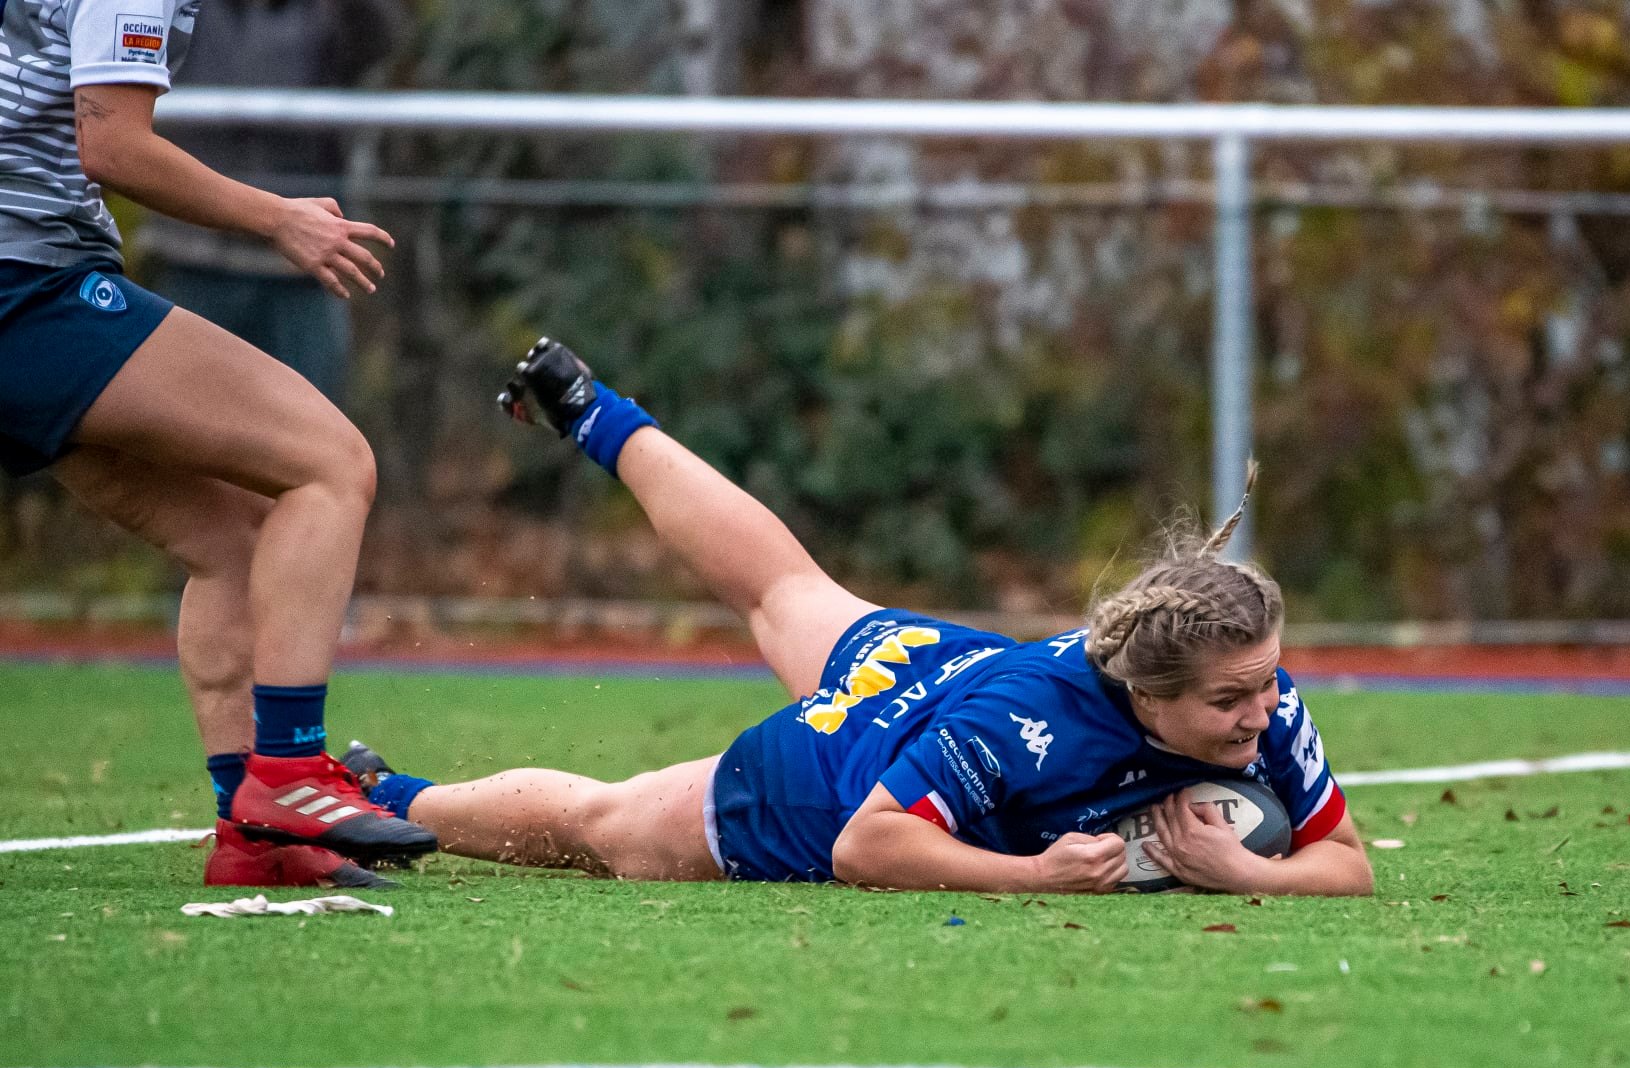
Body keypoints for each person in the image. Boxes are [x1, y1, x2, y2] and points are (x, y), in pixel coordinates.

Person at [353, 339, 1372, 896]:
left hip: (940, 664)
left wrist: (1242, 875)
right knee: (609, 829)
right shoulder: (1029, 722)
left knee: (783, 588)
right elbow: (865, 849)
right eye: (1233, 700)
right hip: (837, 766)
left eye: (1269, 681)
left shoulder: (1257, 694)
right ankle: (381, 793)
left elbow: (1347, 865)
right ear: (1148, 698)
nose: (1265, 711)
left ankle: (585, 406)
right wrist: (1032, 877)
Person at [0, 0, 437, 885]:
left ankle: (256, 837)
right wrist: (278, 217)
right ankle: (287, 775)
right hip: (29, 288)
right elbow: (113, 147)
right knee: (330, 462)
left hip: (30, 282)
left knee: (231, 537)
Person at [143, 0, 409, 404]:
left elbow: (380, 42)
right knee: (186, 431)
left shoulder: (327, 15)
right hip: (192, 254)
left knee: (314, 431)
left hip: (304, 270)